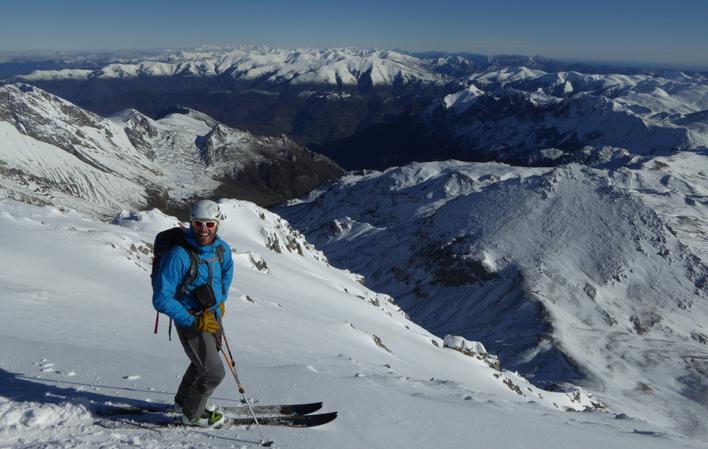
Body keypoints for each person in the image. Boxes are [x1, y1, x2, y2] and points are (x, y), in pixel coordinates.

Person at [152, 199, 234, 427]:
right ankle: (192, 414)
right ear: (191, 223)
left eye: (209, 224)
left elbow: (227, 272)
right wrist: (193, 320)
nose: (204, 229)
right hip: (191, 320)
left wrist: (221, 300)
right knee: (214, 372)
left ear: (217, 225)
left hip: (214, 315)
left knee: (205, 361)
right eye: (199, 224)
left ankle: (183, 401)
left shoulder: (221, 249)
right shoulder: (178, 255)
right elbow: (160, 298)